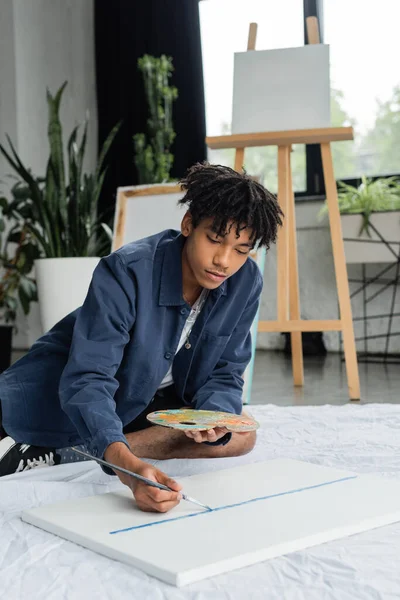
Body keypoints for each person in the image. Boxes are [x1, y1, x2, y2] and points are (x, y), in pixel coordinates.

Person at [0, 163, 283, 513]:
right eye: (215, 239)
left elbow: (226, 371)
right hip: (64, 394)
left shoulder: (246, 281)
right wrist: (130, 471)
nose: (224, 260)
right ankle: (92, 445)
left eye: (241, 249)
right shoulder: (127, 271)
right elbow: (88, 379)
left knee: (240, 434)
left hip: (142, 401)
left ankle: (83, 452)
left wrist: (213, 419)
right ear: (188, 224)